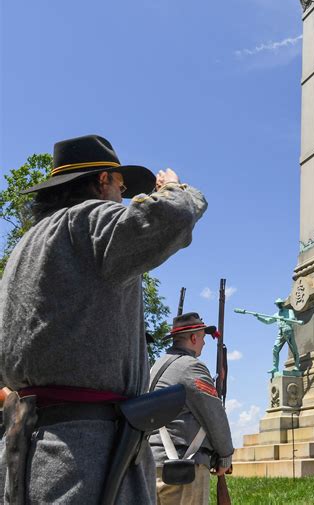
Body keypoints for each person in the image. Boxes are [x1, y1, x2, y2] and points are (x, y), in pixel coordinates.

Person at [0, 134, 207, 504]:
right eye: (121, 185)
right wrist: (176, 188)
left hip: (25, 448)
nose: (123, 197)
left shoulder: (24, 247)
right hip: (86, 454)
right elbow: (174, 216)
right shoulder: (89, 221)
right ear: (102, 180)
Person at [150, 312, 233, 505]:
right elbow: (214, 414)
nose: (204, 343)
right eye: (203, 338)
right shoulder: (191, 367)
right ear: (194, 337)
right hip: (182, 468)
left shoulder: (156, 366)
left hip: (151, 465)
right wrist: (225, 456)